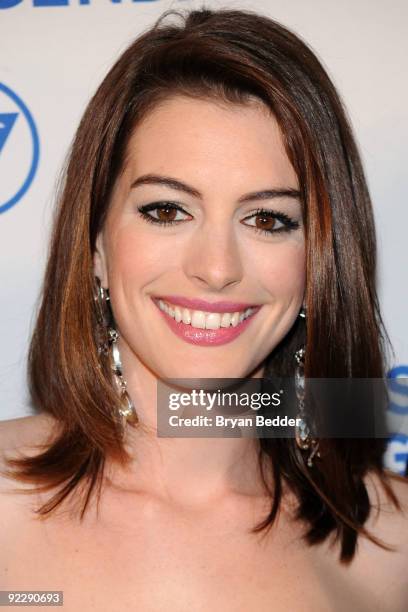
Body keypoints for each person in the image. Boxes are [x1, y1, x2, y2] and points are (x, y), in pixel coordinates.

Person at [1, 6, 407, 611]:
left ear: (318, 259)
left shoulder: (391, 544)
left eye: (267, 219)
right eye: (166, 210)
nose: (216, 269)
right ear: (96, 245)